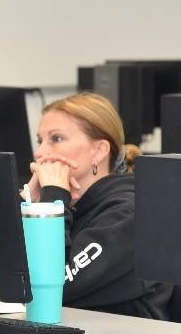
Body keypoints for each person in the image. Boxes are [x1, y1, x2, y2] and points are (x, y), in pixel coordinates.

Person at [24, 92, 173, 319]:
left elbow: (53, 291)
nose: (40, 152)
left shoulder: (129, 214)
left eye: (56, 139)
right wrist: (30, 205)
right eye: (40, 140)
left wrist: (53, 201)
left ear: (99, 151)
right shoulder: (72, 206)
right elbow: (9, 280)